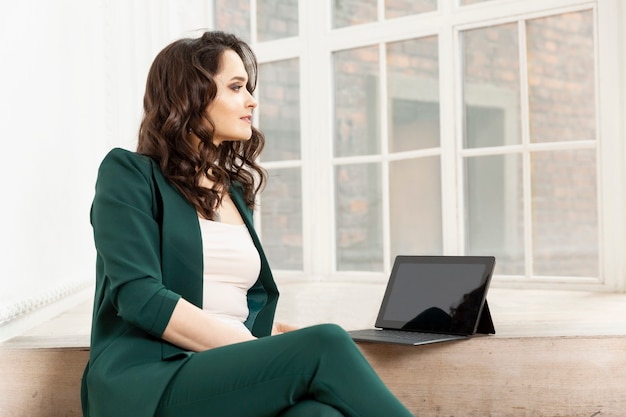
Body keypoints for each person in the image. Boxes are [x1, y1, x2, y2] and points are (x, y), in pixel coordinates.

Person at [80, 30, 414, 417]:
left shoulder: (235, 189)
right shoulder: (130, 174)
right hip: (148, 380)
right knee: (326, 343)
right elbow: (138, 296)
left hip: (221, 374)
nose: (251, 101)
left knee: (318, 416)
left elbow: (229, 304)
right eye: (236, 87)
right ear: (190, 95)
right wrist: (262, 347)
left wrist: (274, 338)